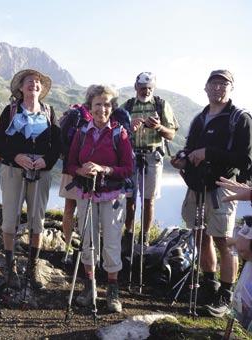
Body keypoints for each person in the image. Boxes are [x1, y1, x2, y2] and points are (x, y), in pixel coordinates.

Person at [171, 69, 252, 318]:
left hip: (222, 189)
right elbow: (190, 148)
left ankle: (226, 295)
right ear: (205, 87)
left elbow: (245, 159)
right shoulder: (199, 118)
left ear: (231, 88)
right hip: (196, 186)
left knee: (224, 241)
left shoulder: (240, 119)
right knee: (199, 236)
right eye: (214, 83)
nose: (218, 88)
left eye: (224, 84)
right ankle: (210, 284)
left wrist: (209, 153)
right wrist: (182, 159)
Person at [67, 85, 133, 313]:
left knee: (112, 242)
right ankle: (90, 288)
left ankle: (112, 293)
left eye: (107, 104)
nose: (102, 109)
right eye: (98, 104)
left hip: (113, 195)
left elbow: (128, 168)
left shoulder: (119, 133)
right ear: (90, 106)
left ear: (112, 107)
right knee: (88, 241)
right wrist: (81, 171)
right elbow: (70, 164)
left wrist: (104, 169)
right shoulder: (81, 132)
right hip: (86, 193)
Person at [0, 69, 61, 290]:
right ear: (21, 88)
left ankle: (33, 266)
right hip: (13, 170)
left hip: (41, 172)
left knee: (37, 220)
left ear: (41, 89)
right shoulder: (10, 111)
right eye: (29, 81)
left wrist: (46, 161)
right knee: (10, 218)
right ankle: (10, 266)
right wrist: (16, 156)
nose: (34, 84)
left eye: (38, 82)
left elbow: (58, 145)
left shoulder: (49, 112)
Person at [122, 72, 178, 247]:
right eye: (143, 88)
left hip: (153, 157)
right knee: (129, 198)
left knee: (148, 200)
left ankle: (144, 237)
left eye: (149, 88)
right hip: (131, 156)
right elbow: (116, 130)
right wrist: (129, 126)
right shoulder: (128, 106)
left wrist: (159, 127)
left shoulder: (161, 105)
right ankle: (129, 234)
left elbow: (172, 134)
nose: (146, 91)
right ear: (136, 87)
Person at [58, 104, 92, 261]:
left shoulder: (77, 115)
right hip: (80, 169)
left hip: (74, 168)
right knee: (76, 209)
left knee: (70, 209)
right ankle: (77, 247)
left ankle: (69, 248)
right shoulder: (80, 116)